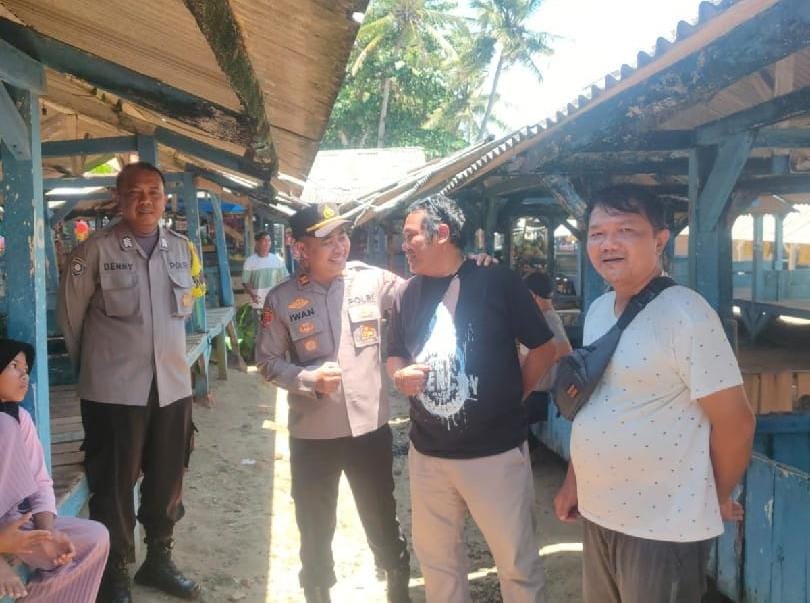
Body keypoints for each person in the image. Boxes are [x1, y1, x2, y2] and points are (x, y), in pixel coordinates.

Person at [553, 187, 756, 603]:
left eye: (625, 230)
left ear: (660, 241)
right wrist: (574, 482)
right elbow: (594, 405)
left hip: (662, 528)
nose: (608, 243)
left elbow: (736, 423)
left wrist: (713, 497)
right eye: (597, 233)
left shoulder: (686, 314)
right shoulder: (599, 311)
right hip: (599, 511)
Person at [386, 193, 557, 603]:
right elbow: (395, 353)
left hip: (494, 455)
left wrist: (513, 395)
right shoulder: (407, 293)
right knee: (438, 565)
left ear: (442, 233)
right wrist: (399, 375)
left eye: (411, 235)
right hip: (427, 456)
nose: (403, 245)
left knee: (516, 564)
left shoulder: (497, 281)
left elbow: (544, 348)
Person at [58, 162, 201, 603]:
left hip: (172, 386)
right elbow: (71, 322)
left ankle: (158, 559)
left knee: (167, 477)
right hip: (114, 392)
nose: (146, 201)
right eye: (135, 192)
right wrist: (101, 369)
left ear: (165, 198)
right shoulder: (94, 251)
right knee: (114, 484)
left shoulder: (182, 249)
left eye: (154, 192)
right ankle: (114, 573)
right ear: (118, 199)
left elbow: (186, 310)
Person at [255, 202, 412, 603]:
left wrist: (467, 267)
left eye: (342, 236)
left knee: (380, 515)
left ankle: (397, 582)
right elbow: (267, 362)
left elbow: (420, 292)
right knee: (314, 524)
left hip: (369, 431)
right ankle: (318, 590)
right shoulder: (282, 299)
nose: (339, 246)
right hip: (313, 436)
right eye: (327, 240)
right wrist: (307, 379)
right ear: (300, 248)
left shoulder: (372, 281)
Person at [0, 338, 109, 602]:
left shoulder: (20, 418)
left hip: (17, 523)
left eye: (26, 369)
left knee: (95, 537)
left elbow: (40, 481)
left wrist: (47, 534)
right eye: (14, 366)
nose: (24, 375)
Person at [520, 272, 573, 438]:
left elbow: (564, 351)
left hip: (537, 391)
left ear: (531, 295)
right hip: (534, 390)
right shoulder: (542, 317)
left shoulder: (548, 318)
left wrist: (534, 363)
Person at [242, 230, 288, 313]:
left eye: (269, 240)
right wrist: (252, 295)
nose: (267, 243)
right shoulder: (249, 261)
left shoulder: (278, 260)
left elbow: (285, 280)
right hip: (258, 304)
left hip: (276, 303)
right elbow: (245, 282)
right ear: (257, 243)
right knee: (260, 321)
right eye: (264, 240)